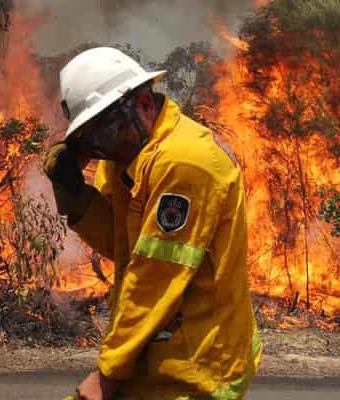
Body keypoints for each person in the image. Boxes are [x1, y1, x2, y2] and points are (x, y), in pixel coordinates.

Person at [43, 47, 262, 400]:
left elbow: (155, 276)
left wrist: (108, 375)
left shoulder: (184, 163)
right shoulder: (127, 155)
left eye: (106, 133)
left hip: (199, 363)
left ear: (144, 103)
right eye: (91, 139)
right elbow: (122, 244)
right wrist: (73, 192)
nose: (102, 149)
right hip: (157, 345)